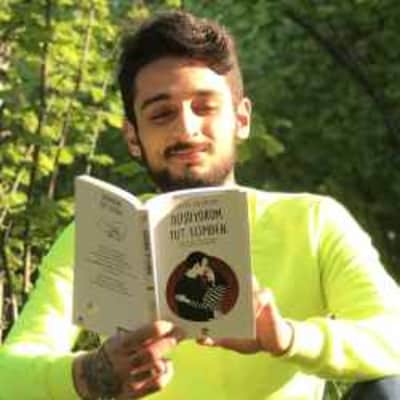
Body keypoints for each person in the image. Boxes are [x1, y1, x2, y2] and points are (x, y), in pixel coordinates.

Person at [1, 10, 399, 400]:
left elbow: (392, 335)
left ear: (241, 119)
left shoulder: (313, 221)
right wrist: (90, 375)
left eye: (205, 107)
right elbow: (9, 376)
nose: (187, 129)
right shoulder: (100, 233)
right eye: (161, 114)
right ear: (133, 137)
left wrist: (287, 338)